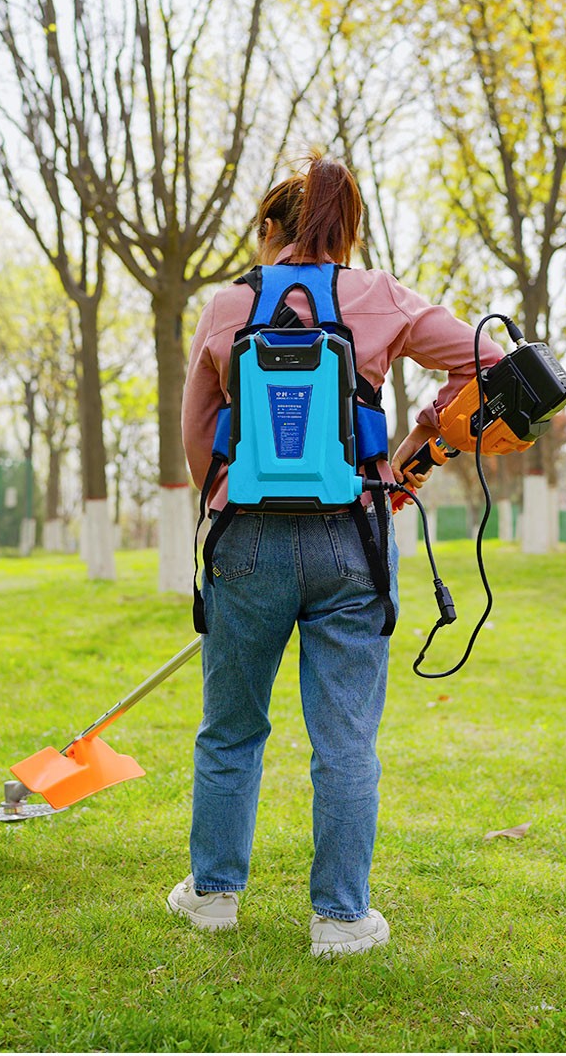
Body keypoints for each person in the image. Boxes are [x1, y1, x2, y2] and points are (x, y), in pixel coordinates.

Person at [170, 151, 503, 956]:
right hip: (354, 535)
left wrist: (226, 504)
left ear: (269, 231)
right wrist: (426, 428)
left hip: (244, 539)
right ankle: (342, 917)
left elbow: (195, 436)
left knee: (230, 729)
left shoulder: (227, 305)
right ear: (344, 230)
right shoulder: (380, 295)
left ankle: (214, 894)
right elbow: (492, 362)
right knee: (345, 736)